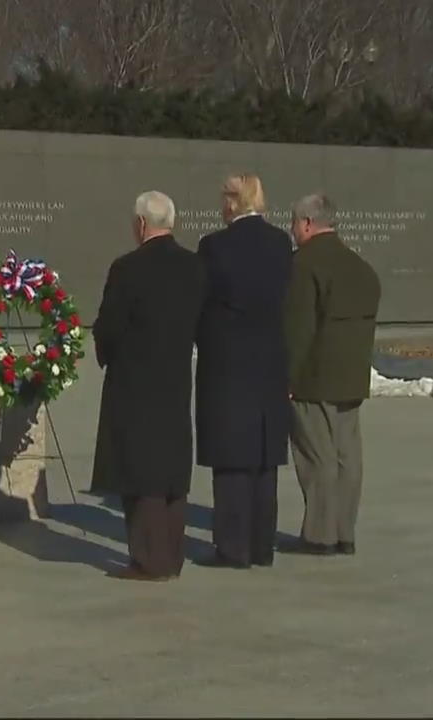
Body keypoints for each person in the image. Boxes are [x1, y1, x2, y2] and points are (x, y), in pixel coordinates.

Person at [92, 190, 207, 581]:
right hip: (175, 378)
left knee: (139, 470)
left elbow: (109, 325)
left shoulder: (127, 268)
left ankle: (147, 559)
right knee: (172, 470)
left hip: (135, 380)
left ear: (141, 224)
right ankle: (171, 556)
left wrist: (105, 351)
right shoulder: (194, 266)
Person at [194, 174, 293, 569]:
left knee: (232, 456)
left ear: (232, 203)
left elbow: (204, 301)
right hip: (270, 359)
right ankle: (261, 545)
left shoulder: (214, 246)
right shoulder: (280, 243)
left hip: (228, 362)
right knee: (264, 458)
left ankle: (233, 547)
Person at [282, 193, 381, 556]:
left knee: (316, 457)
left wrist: (287, 376)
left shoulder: (303, 265)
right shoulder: (359, 266)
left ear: (307, 224)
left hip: (314, 376)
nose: (292, 231)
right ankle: (344, 532)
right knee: (347, 456)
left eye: (294, 223)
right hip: (352, 376)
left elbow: (298, 327)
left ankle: (319, 535)